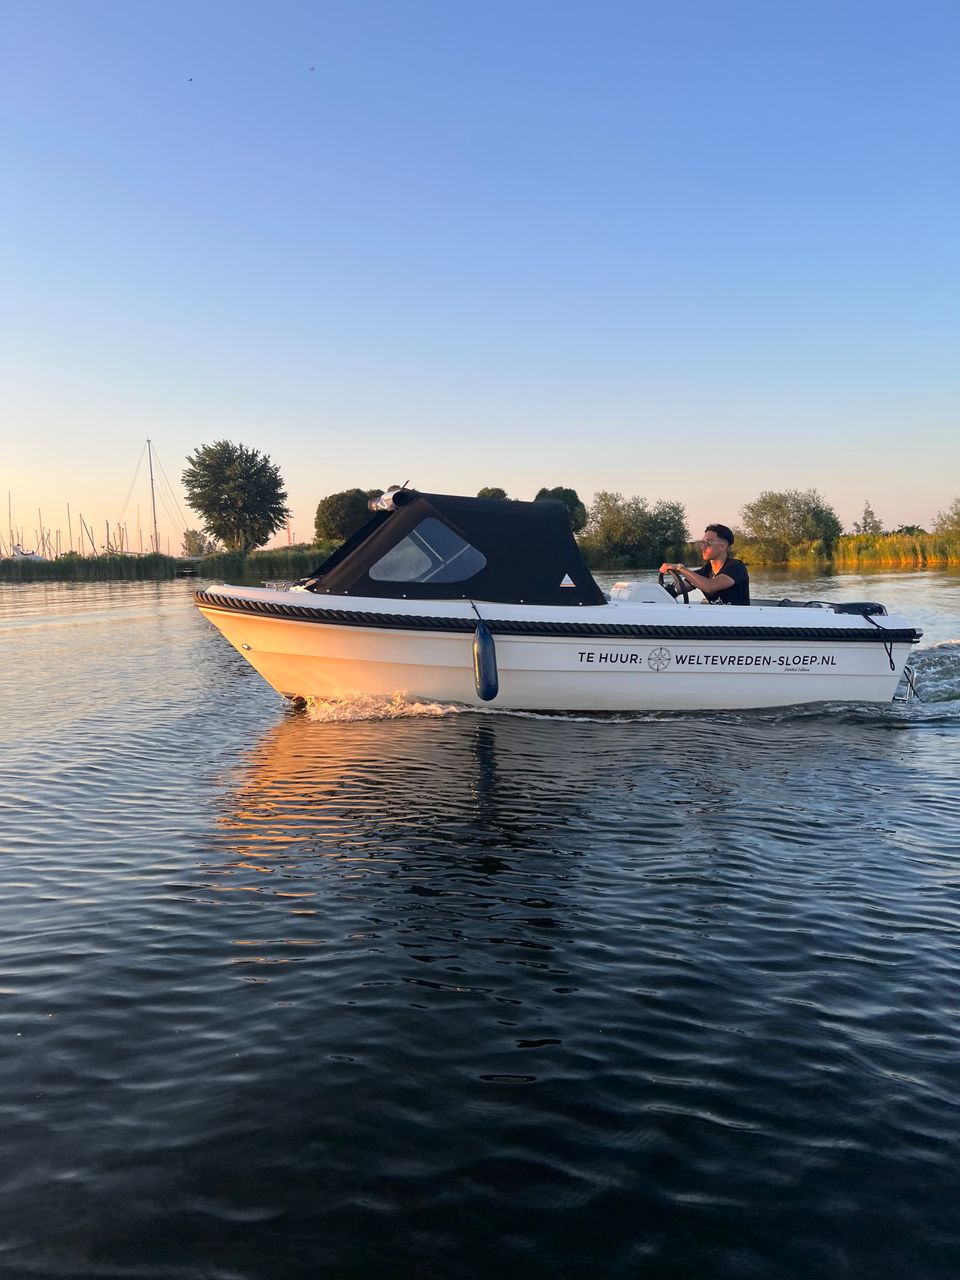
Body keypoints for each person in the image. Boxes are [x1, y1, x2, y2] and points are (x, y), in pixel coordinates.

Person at [659, 523, 750, 605]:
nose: (702, 547)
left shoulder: (736, 567)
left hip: (739, 617)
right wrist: (663, 592)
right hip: (716, 618)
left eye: (708, 543)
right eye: (702, 543)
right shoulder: (705, 572)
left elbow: (710, 587)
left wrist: (680, 568)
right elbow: (678, 588)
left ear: (722, 546)